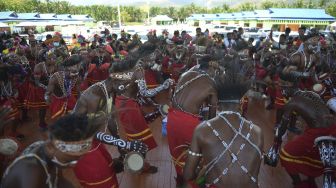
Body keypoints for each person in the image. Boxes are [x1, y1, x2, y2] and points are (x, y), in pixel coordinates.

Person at [183, 58, 264, 188]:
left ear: (218, 104)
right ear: (241, 104)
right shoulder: (257, 131)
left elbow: (188, 175)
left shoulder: (202, 129)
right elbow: (254, 172)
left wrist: (203, 171)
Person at [1, 114, 102, 188]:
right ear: (50, 147)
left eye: (78, 159)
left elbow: (60, 182)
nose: (73, 165)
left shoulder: (50, 153)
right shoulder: (30, 174)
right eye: (69, 160)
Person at [45, 55, 82, 120]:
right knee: (60, 123)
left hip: (70, 99)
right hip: (57, 101)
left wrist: (80, 103)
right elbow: (47, 94)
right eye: (73, 73)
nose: (75, 76)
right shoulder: (55, 78)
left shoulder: (77, 78)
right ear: (67, 70)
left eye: (76, 73)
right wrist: (47, 99)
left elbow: (79, 92)